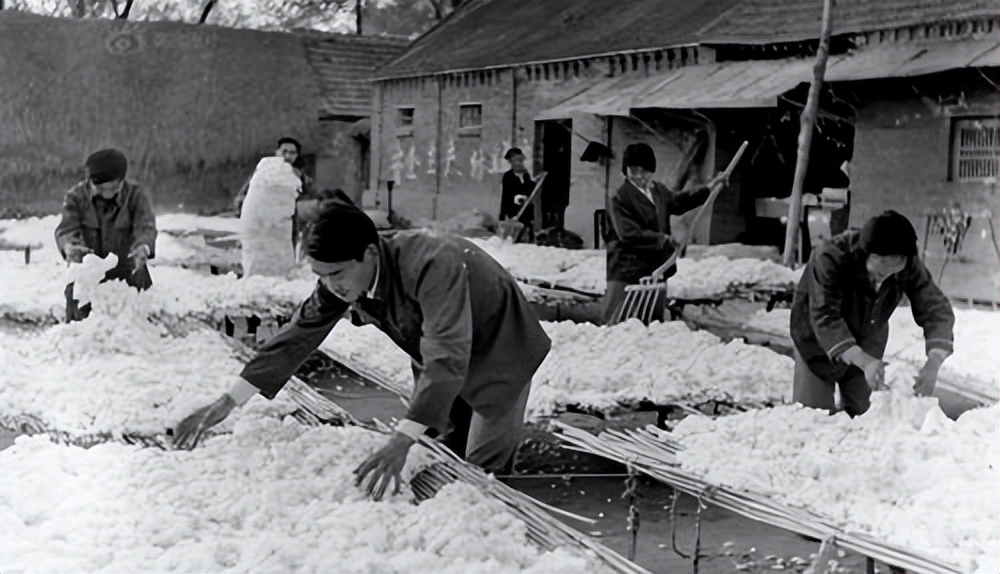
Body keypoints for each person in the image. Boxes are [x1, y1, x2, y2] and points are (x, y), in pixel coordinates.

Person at [173, 192, 552, 500]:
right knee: (442, 448)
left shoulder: (433, 265)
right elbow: (297, 334)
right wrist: (229, 400)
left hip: (498, 350)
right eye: (321, 276)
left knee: (481, 472)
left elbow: (448, 352)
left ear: (370, 254)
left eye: (336, 274)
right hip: (437, 352)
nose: (331, 285)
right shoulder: (347, 277)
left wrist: (401, 439)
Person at [790, 210, 955, 417]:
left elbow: (935, 309)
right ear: (867, 254)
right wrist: (863, 360)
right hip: (817, 339)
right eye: (879, 272)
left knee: (868, 413)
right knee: (813, 417)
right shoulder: (830, 257)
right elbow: (825, 316)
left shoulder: (907, 264)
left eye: (892, 272)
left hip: (868, 334)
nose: (884, 279)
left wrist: (934, 362)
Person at [602, 143, 724, 324]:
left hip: (655, 269)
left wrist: (708, 189)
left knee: (652, 323)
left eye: (644, 171)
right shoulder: (619, 197)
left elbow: (679, 202)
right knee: (617, 323)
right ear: (625, 171)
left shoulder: (658, 191)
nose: (638, 176)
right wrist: (663, 239)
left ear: (651, 171)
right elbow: (627, 233)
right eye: (633, 170)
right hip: (626, 270)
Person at [55, 148, 157, 320]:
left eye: (114, 188)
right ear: (90, 181)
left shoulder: (137, 196)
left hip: (129, 272)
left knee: (135, 329)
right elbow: (66, 229)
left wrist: (143, 248)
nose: (107, 194)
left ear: (122, 180)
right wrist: (70, 247)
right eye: (101, 189)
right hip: (88, 276)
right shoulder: (76, 197)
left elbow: (145, 228)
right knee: (80, 329)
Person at [233, 137, 315, 213]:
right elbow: (243, 195)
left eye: (292, 153)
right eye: (284, 151)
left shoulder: (301, 178)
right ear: (277, 152)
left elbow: (309, 200)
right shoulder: (262, 172)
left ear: (297, 155)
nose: (287, 156)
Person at [498, 147, 536, 235]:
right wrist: (502, 216)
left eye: (521, 161)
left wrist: (533, 184)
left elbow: (530, 190)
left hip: (527, 211)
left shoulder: (526, 175)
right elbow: (506, 195)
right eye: (516, 161)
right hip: (514, 211)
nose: (519, 164)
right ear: (511, 163)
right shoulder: (508, 176)